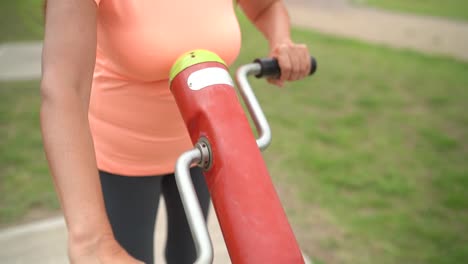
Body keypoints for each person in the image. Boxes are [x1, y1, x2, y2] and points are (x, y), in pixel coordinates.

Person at [41, 0, 312, 263]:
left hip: (201, 149)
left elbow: (265, 6)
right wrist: (90, 240)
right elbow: (65, 90)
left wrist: (282, 41)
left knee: (190, 254)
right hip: (122, 157)